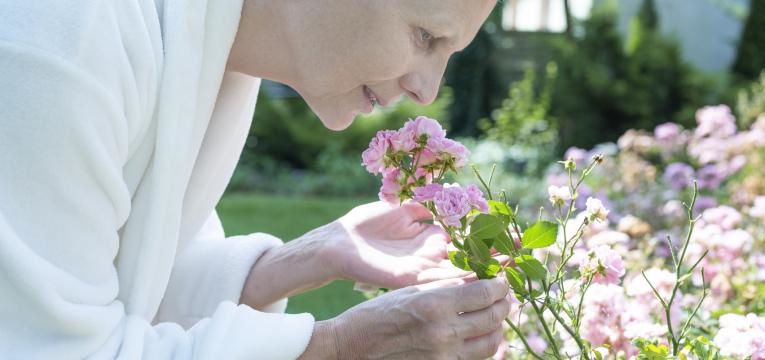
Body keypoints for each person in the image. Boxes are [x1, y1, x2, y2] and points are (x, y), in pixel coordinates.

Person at [0, 0, 510, 358]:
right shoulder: (64, 45)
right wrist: (341, 346)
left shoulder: (211, 49)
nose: (428, 89)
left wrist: (309, 256)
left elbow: (137, 278)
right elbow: (49, 347)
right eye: (426, 35)